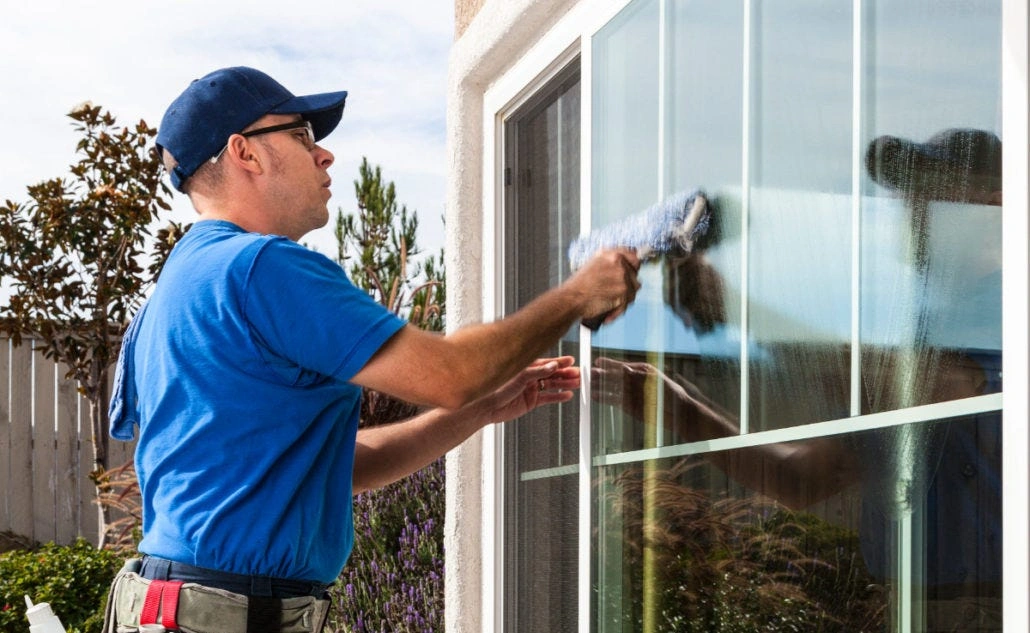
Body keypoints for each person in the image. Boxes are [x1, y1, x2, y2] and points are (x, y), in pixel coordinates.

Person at [102, 66, 641, 632]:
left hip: (178, 608)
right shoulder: (262, 268)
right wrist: (578, 294)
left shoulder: (174, 291)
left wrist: (482, 408)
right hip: (219, 616)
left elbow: (327, 468)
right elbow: (449, 373)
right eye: (301, 135)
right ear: (245, 153)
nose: (324, 155)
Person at [594, 127, 1002, 632]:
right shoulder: (929, 328)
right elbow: (806, 478)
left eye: (932, 198)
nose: (913, 217)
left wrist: (737, 310)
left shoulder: (1005, 315)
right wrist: (674, 405)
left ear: (996, 209)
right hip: (911, 605)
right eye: (909, 201)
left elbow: (919, 385)